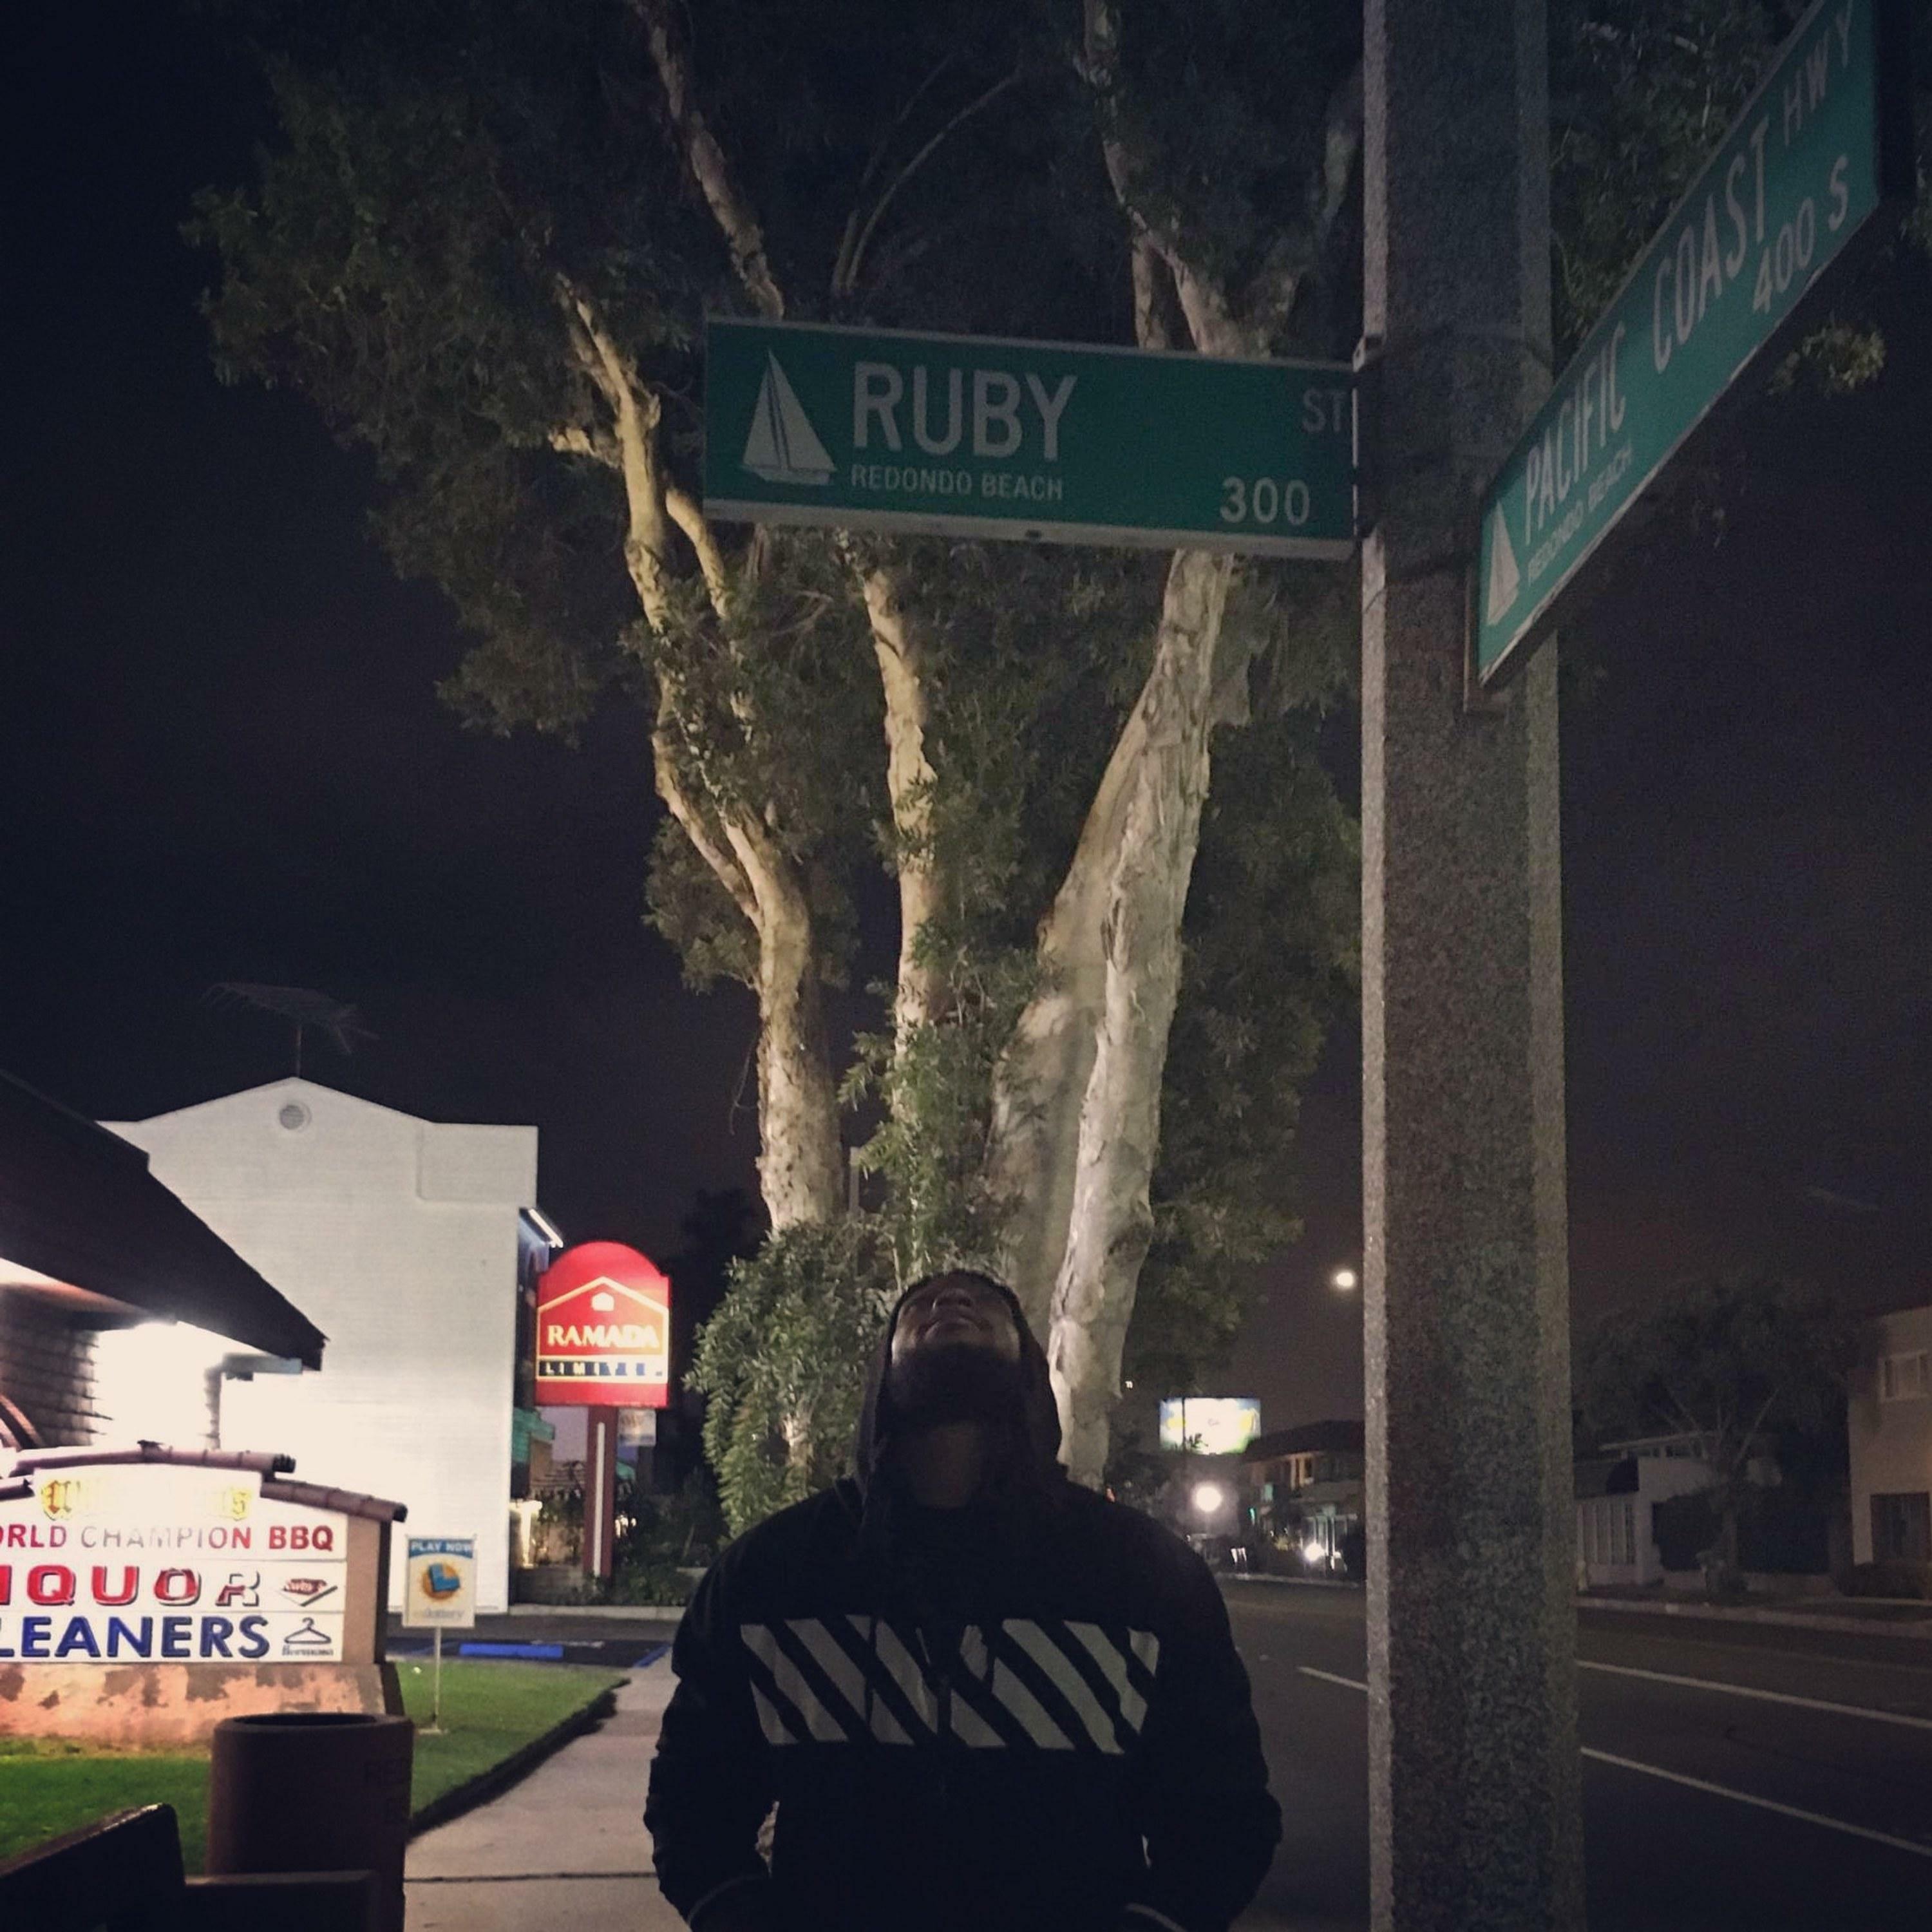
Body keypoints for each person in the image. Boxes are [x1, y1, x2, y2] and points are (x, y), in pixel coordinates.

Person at [645, 1268, 1281, 1932]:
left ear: (1030, 1367)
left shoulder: (1142, 1575)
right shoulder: (773, 1573)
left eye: (984, 1303)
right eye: (919, 1304)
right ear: (881, 1374)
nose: (950, 1300)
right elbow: (694, 1799)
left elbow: (1222, 1814)